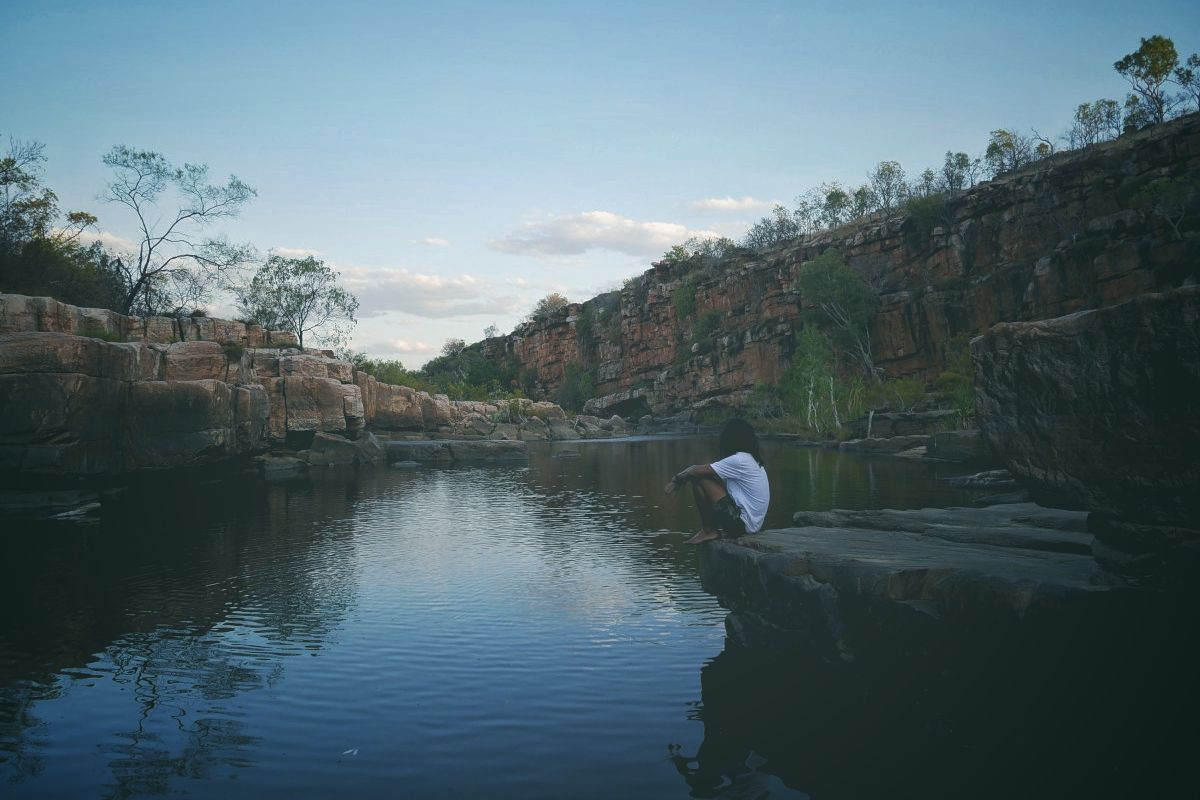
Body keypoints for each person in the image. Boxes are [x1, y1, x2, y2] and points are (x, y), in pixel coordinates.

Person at [665, 418, 769, 545]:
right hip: (752, 526)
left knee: (700, 478)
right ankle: (709, 531)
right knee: (706, 476)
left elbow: (695, 470)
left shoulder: (740, 460)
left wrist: (676, 480)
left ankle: (708, 531)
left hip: (741, 525)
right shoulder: (752, 460)